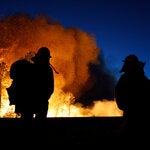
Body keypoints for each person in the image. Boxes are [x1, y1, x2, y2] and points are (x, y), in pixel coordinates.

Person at [115, 54, 150, 135]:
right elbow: (119, 91)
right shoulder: (142, 78)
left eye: (128, 63)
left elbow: (119, 92)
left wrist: (123, 105)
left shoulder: (127, 78)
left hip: (133, 114)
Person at [31, 46, 54, 119]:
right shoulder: (47, 69)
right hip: (39, 101)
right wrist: (44, 98)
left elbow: (50, 87)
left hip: (32, 101)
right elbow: (50, 87)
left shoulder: (32, 67)